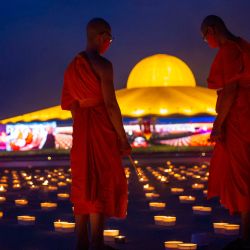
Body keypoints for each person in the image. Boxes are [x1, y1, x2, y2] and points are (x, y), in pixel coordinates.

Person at [61, 18, 131, 250]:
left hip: (82, 131)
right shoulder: (103, 65)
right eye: (109, 38)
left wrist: (84, 125)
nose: (109, 43)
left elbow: (71, 105)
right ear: (101, 36)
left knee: (83, 183)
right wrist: (122, 137)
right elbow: (111, 104)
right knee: (100, 181)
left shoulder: (72, 67)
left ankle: (82, 242)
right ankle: (97, 242)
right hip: (101, 129)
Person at [201, 15, 250, 250]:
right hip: (243, 116)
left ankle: (247, 237)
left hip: (241, 119)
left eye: (204, 37)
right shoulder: (243, 45)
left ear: (211, 30)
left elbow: (230, 90)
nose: (206, 42)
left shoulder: (230, 50)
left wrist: (218, 123)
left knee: (243, 176)